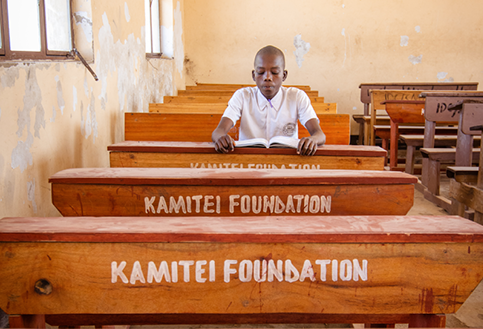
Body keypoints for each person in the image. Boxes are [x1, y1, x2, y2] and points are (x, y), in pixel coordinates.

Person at [211, 45, 326, 156]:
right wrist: (221, 138)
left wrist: (312, 140)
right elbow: (219, 131)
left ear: (284, 75)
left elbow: (319, 134)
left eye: (275, 72)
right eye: (260, 72)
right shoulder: (242, 96)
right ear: (253, 75)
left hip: (287, 163)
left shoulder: (297, 97)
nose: (267, 77)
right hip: (248, 161)